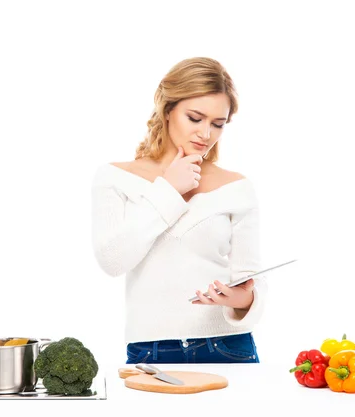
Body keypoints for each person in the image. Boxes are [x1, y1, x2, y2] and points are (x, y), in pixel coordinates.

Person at [91, 57, 265, 364]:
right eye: (195, 118)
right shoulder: (114, 178)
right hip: (150, 349)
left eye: (217, 124)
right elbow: (112, 260)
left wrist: (243, 299)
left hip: (228, 345)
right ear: (168, 109)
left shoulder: (238, 187)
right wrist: (169, 190)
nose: (206, 134)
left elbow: (251, 281)